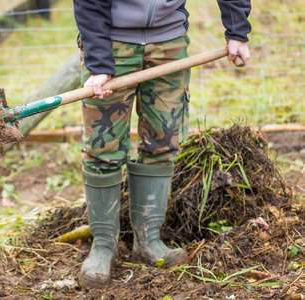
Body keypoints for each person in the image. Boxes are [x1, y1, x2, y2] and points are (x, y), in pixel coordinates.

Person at [73, 0, 251, 289]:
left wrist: (237, 30)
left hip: (169, 43)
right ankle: (104, 245)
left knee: (164, 142)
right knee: (102, 147)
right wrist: (98, 62)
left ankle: (148, 240)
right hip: (111, 43)